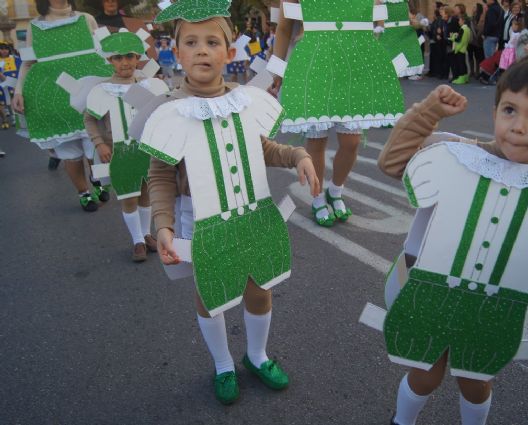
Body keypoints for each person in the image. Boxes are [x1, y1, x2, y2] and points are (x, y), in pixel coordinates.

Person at [378, 52, 528, 425]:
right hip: (430, 288)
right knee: (424, 372)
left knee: (475, 380)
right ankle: (401, 420)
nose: (518, 126)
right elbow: (393, 164)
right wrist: (430, 110)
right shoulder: (458, 155)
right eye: (509, 110)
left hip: (495, 303)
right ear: (495, 112)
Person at [135, 0, 320, 405]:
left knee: (260, 287)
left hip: (253, 214)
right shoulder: (169, 112)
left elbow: (266, 148)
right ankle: (222, 364)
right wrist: (163, 225)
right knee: (211, 293)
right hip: (201, 219)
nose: (203, 50)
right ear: (177, 52)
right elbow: (161, 174)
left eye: (213, 42)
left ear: (229, 52)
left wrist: (298, 156)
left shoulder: (244, 100)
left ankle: (257, 355)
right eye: (192, 42)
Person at [268, 0, 405, 227]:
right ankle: (318, 197)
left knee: (351, 141)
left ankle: (336, 190)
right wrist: (277, 69)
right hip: (314, 66)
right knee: (317, 142)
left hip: (351, 68)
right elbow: (283, 28)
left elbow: (380, 23)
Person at [12, 0, 112, 212]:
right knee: (70, 153)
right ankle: (83, 193)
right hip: (51, 98)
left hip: (87, 93)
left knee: (94, 144)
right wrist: (19, 91)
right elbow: (28, 63)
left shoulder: (87, 19)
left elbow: (106, 52)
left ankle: (97, 179)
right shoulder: (34, 26)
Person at [83, 31, 168, 261]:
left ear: (138, 57)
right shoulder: (103, 90)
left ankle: (147, 234)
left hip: (147, 149)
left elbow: (162, 112)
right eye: (118, 58)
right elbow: (90, 118)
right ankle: (137, 241)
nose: (125, 62)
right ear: (110, 60)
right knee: (128, 197)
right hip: (121, 151)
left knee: (146, 195)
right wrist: (99, 143)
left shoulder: (150, 85)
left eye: (130, 56)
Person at [451, 13, 471, 84]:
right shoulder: (468, 29)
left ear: (463, 20)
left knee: (460, 64)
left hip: (459, 49)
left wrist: (453, 37)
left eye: (459, 20)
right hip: (464, 48)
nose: (458, 22)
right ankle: (465, 77)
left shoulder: (462, 29)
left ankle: (461, 78)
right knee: (463, 63)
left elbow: (459, 40)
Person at [468, 3, 486, 78]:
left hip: (477, 40)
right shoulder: (471, 18)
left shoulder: (480, 17)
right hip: (470, 40)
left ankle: (477, 71)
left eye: (475, 7)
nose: (473, 8)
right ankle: (472, 71)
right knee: (470, 56)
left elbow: (479, 28)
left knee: (477, 57)